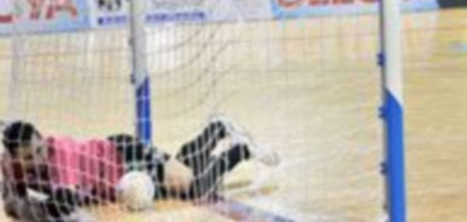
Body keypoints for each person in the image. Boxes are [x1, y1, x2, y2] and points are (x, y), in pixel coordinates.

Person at [1, 118, 278, 220]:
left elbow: (62, 205)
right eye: (28, 157)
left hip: (125, 158)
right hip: (115, 175)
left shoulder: (60, 156)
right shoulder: (12, 166)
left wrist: (21, 206)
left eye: (38, 150)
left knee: (194, 187)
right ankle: (217, 129)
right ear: (15, 158)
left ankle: (240, 150)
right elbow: (15, 199)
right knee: (182, 172)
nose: (37, 158)